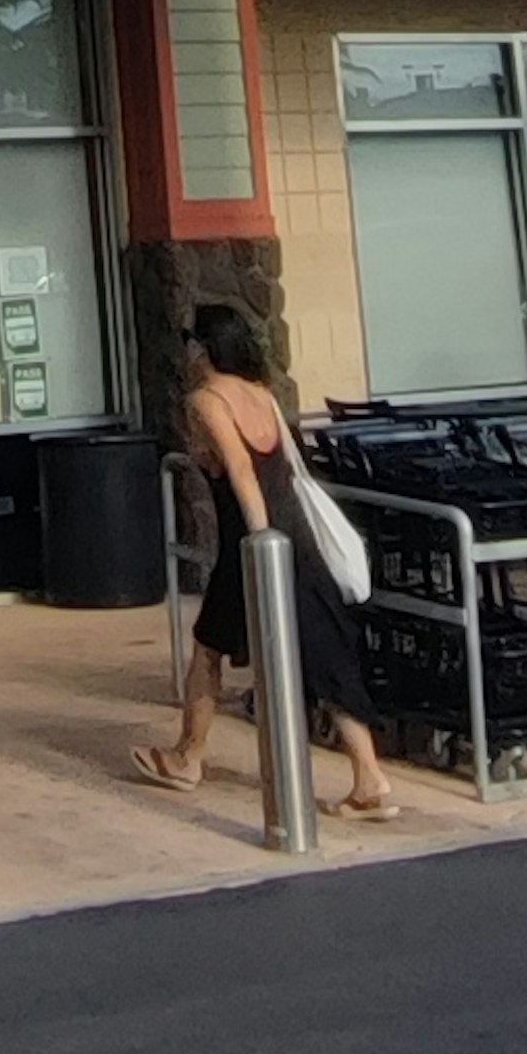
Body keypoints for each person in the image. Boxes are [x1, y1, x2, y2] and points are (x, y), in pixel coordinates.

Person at [132, 295, 394, 821]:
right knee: (322, 648)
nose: (187, 352)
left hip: (254, 543)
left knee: (208, 647)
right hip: (297, 532)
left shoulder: (207, 400)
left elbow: (240, 470)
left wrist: (260, 544)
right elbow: (274, 465)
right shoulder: (262, 395)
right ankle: (369, 776)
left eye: (190, 342)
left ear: (205, 348)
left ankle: (188, 757)